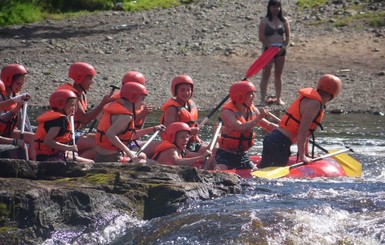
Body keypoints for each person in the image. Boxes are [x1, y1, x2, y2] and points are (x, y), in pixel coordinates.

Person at [259, 74, 342, 168]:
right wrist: (302, 156)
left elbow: (306, 133)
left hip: (274, 140)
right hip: (279, 143)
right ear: (334, 93)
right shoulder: (314, 104)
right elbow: (302, 131)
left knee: (265, 170)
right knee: (270, 177)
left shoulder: (313, 100)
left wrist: (306, 154)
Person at [214, 81, 278, 170]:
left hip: (242, 155)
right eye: (250, 94)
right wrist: (259, 118)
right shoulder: (228, 112)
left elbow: (268, 125)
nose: (254, 96)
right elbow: (241, 128)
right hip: (225, 154)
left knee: (255, 173)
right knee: (221, 169)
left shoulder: (252, 110)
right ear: (240, 97)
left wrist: (287, 129)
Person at [95, 82, 165, 163]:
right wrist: (129, 152)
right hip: (111, 158)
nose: (143, 103)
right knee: (153, 163)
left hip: (101, 155)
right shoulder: (126, 116)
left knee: (142, 155)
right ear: (133, 97)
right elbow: (110, 134)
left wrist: (154, 128)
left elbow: (130, 135)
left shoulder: (114, 106)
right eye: (142, 99)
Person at [55, 62, 113, 159]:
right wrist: (102, 104)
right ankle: (77, 161)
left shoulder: (81, 94)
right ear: (79, 78)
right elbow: (84, 119)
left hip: (75, 132)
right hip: (65, 137)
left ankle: (78, 158)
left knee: (102, 140)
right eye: (89, 78)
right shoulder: (71, 96)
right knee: (100, 144)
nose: (92, 81)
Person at [34, 90, 94, 163]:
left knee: (76, 155)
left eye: (75, 106)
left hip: (53, 155)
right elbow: (48, 141)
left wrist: (67, 149)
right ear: (61, 105)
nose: (74, 108)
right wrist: (68, 147)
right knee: (91, 162)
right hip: (50, 158)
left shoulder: (58, 117)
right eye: (72, 105)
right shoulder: (59, 120)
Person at [0, 64, 36, 160]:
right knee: (23, 144)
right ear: (8, 81)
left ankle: (33, 165)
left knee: (33, 137)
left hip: (7, 131)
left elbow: (22, 122)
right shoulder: (2, 98)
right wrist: (16, 142)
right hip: (1, 135)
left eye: (22, 84)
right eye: (18, 84)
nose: (20, 87)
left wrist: (29, 134)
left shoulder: (16, 97)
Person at [160, 75, 204, 153]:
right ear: (175, 91)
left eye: (188, 90)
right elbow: (169, 131)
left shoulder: (191, 105)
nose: (186, 93)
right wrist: (190, 131)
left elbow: (192, 124)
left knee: (213, 149)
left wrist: (196, 137)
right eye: (182, 90)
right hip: (176, 145)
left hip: (189, 142)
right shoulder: (172, 109)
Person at [258, 0, 291, 106]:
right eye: (273, 6)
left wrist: (284, 46)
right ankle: (262, 99)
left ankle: (278, 98)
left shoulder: (284, 20)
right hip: (268, 49)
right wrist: (269, 46)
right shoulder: (265, 20)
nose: (275, 9)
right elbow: (261, 37)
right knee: (266, 74)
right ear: (269, 7)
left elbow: (288, 36)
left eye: (277, 6)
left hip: (280, 49)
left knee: (278, 74)